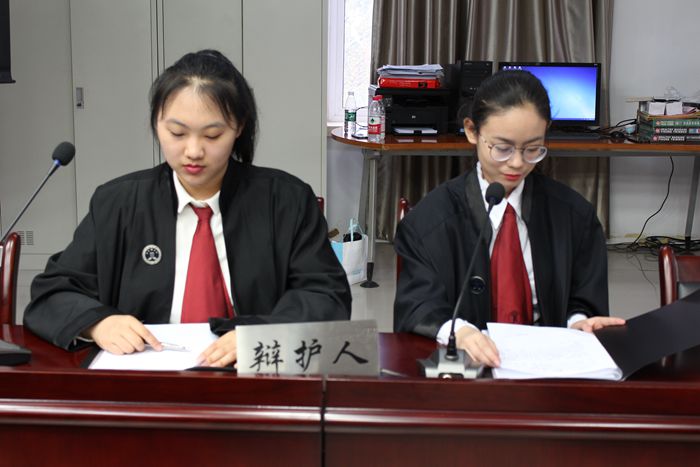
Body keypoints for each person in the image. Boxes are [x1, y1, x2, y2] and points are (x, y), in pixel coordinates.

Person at [24, 49, 351, 367]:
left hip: (253, 376)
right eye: (177, 133)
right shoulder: (117, 204)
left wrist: (265, 334)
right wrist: (97, 323)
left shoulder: (287, 200)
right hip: (144, 382)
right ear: (156, 123)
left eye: (213, 135)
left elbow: (326, 295)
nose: (193, 151)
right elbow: (53, 292)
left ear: (239, 127)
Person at [393, 70, 624, 367]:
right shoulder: (428, 222)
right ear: (472, 131)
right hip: (469, 369)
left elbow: (584, 300)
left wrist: (578, 323)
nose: (517, 163)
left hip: (549, 366)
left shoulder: (575, 216)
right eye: (502, 148)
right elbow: (417, 305)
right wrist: (459, 332)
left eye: (532, 149)